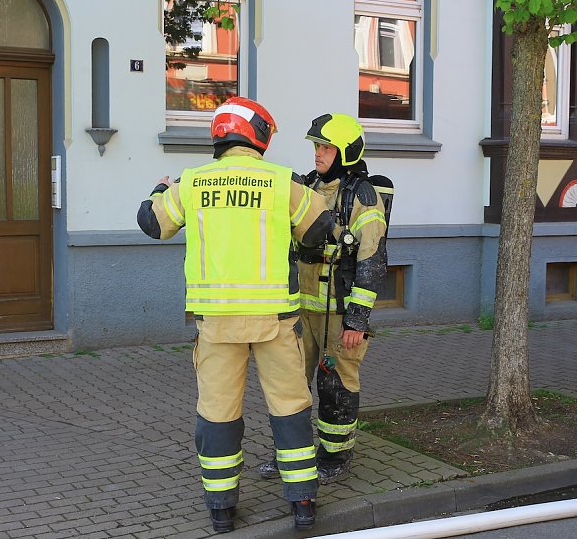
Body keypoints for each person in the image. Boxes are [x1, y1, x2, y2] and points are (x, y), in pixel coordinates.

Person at [137, 97, 334, 533]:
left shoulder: (193, 183)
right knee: (290, 410)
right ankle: (303, 504)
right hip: (276, 322)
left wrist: (157, 190)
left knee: (218, 413)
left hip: (217, 324)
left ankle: (222, 511)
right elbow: (321, 228)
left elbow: (152, 224)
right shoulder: (280, 181)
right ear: (258, 134)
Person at [258, 113, 389, 484]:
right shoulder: (307, 185)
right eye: (316, 146)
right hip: (300, 308)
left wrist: (357, 321)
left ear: (346, 152)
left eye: (326, 147)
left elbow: (372, 260)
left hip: (338, 311)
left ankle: (335, 455)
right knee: (289, 383)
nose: (318, 153)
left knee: (336, 383)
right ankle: (291, 455)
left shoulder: (363, 197)